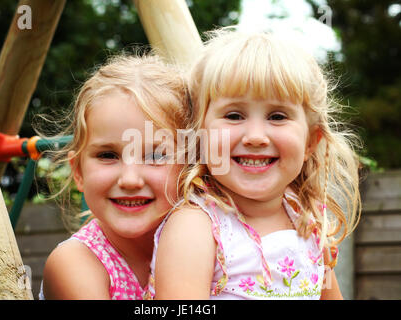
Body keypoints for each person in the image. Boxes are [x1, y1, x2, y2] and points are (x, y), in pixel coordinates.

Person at [148, 29, 361, 300]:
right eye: (234, 115)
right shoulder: (197, 228)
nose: (256, 137)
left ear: (310, 141)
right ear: (200, 134)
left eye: (277, 116)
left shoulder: (306, 219)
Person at [40, 54, 190, 300]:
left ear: (189, 167)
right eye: (108, 155)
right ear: (78, 171)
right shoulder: (75, 264)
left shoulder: (208, 239)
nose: (130, 180)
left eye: (154, 156)